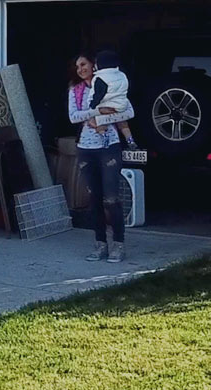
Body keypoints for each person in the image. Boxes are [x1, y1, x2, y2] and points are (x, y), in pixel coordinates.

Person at [69, 52, 135, 262]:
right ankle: (100, 244)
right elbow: (73, 117)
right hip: (85, 148)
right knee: (94, 198)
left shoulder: (111, 84)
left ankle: (118, 244)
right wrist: (97, 111)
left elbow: (128, 112)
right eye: (77, 66)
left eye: (84, 64)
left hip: (109, 147)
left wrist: (103, 117)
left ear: (94, 66)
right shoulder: (76, 91)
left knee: (111, 198)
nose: (80, 69)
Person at [90, 50, 139, 150]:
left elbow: (99, 94)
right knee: (124, 125)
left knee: (99, 125)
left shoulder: (100, 77)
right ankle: (130, 141)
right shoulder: (121, 75)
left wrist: (93, 105)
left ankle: (105, 139)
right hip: (121, 106)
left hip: (105, 107)